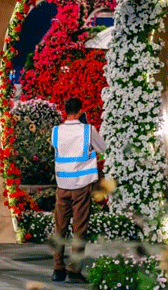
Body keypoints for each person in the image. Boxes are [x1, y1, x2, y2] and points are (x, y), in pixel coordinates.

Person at [50, 97, 106, 283]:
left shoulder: (56, 131)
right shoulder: (87, 130)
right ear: (81, 111)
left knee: (60, 228)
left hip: (62, 185)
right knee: (79, 229)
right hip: (81, 184)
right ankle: (73, 270)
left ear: (65, 110)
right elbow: (103, 148)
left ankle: (57, 269)